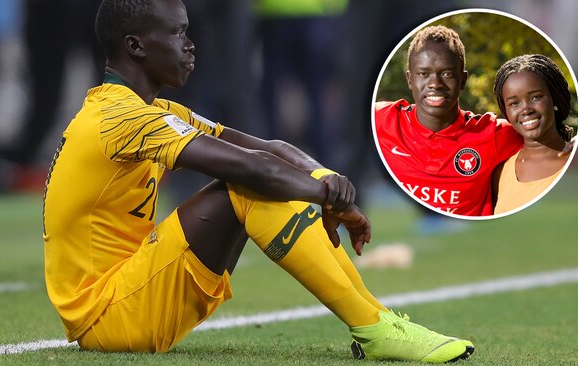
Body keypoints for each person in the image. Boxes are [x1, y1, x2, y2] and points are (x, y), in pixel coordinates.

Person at [43, 0, 474, 362]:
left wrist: (326, 179)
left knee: (262, 180)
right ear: (135, 46)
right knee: (249, 187)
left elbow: (270, 148)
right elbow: (252, 168)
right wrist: (328, 196)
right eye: (177, 34)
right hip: (109, 315)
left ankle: (376, 320)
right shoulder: (120, 118)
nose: (191, 45)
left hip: (130, 294)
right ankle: (375, 328)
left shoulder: (148, 111)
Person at [374, 25, 524, 217]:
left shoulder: (494, 134)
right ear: (410, 80)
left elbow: (549, 142)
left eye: (447, 74)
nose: (435, 84)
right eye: (424, 74)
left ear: (463, 80)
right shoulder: (382, 119)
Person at [491, 54, 575, 214]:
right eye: (514, 103)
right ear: (506, 111)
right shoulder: (500, 174)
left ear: (554, 99)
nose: (526, 109)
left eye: (536, 97)